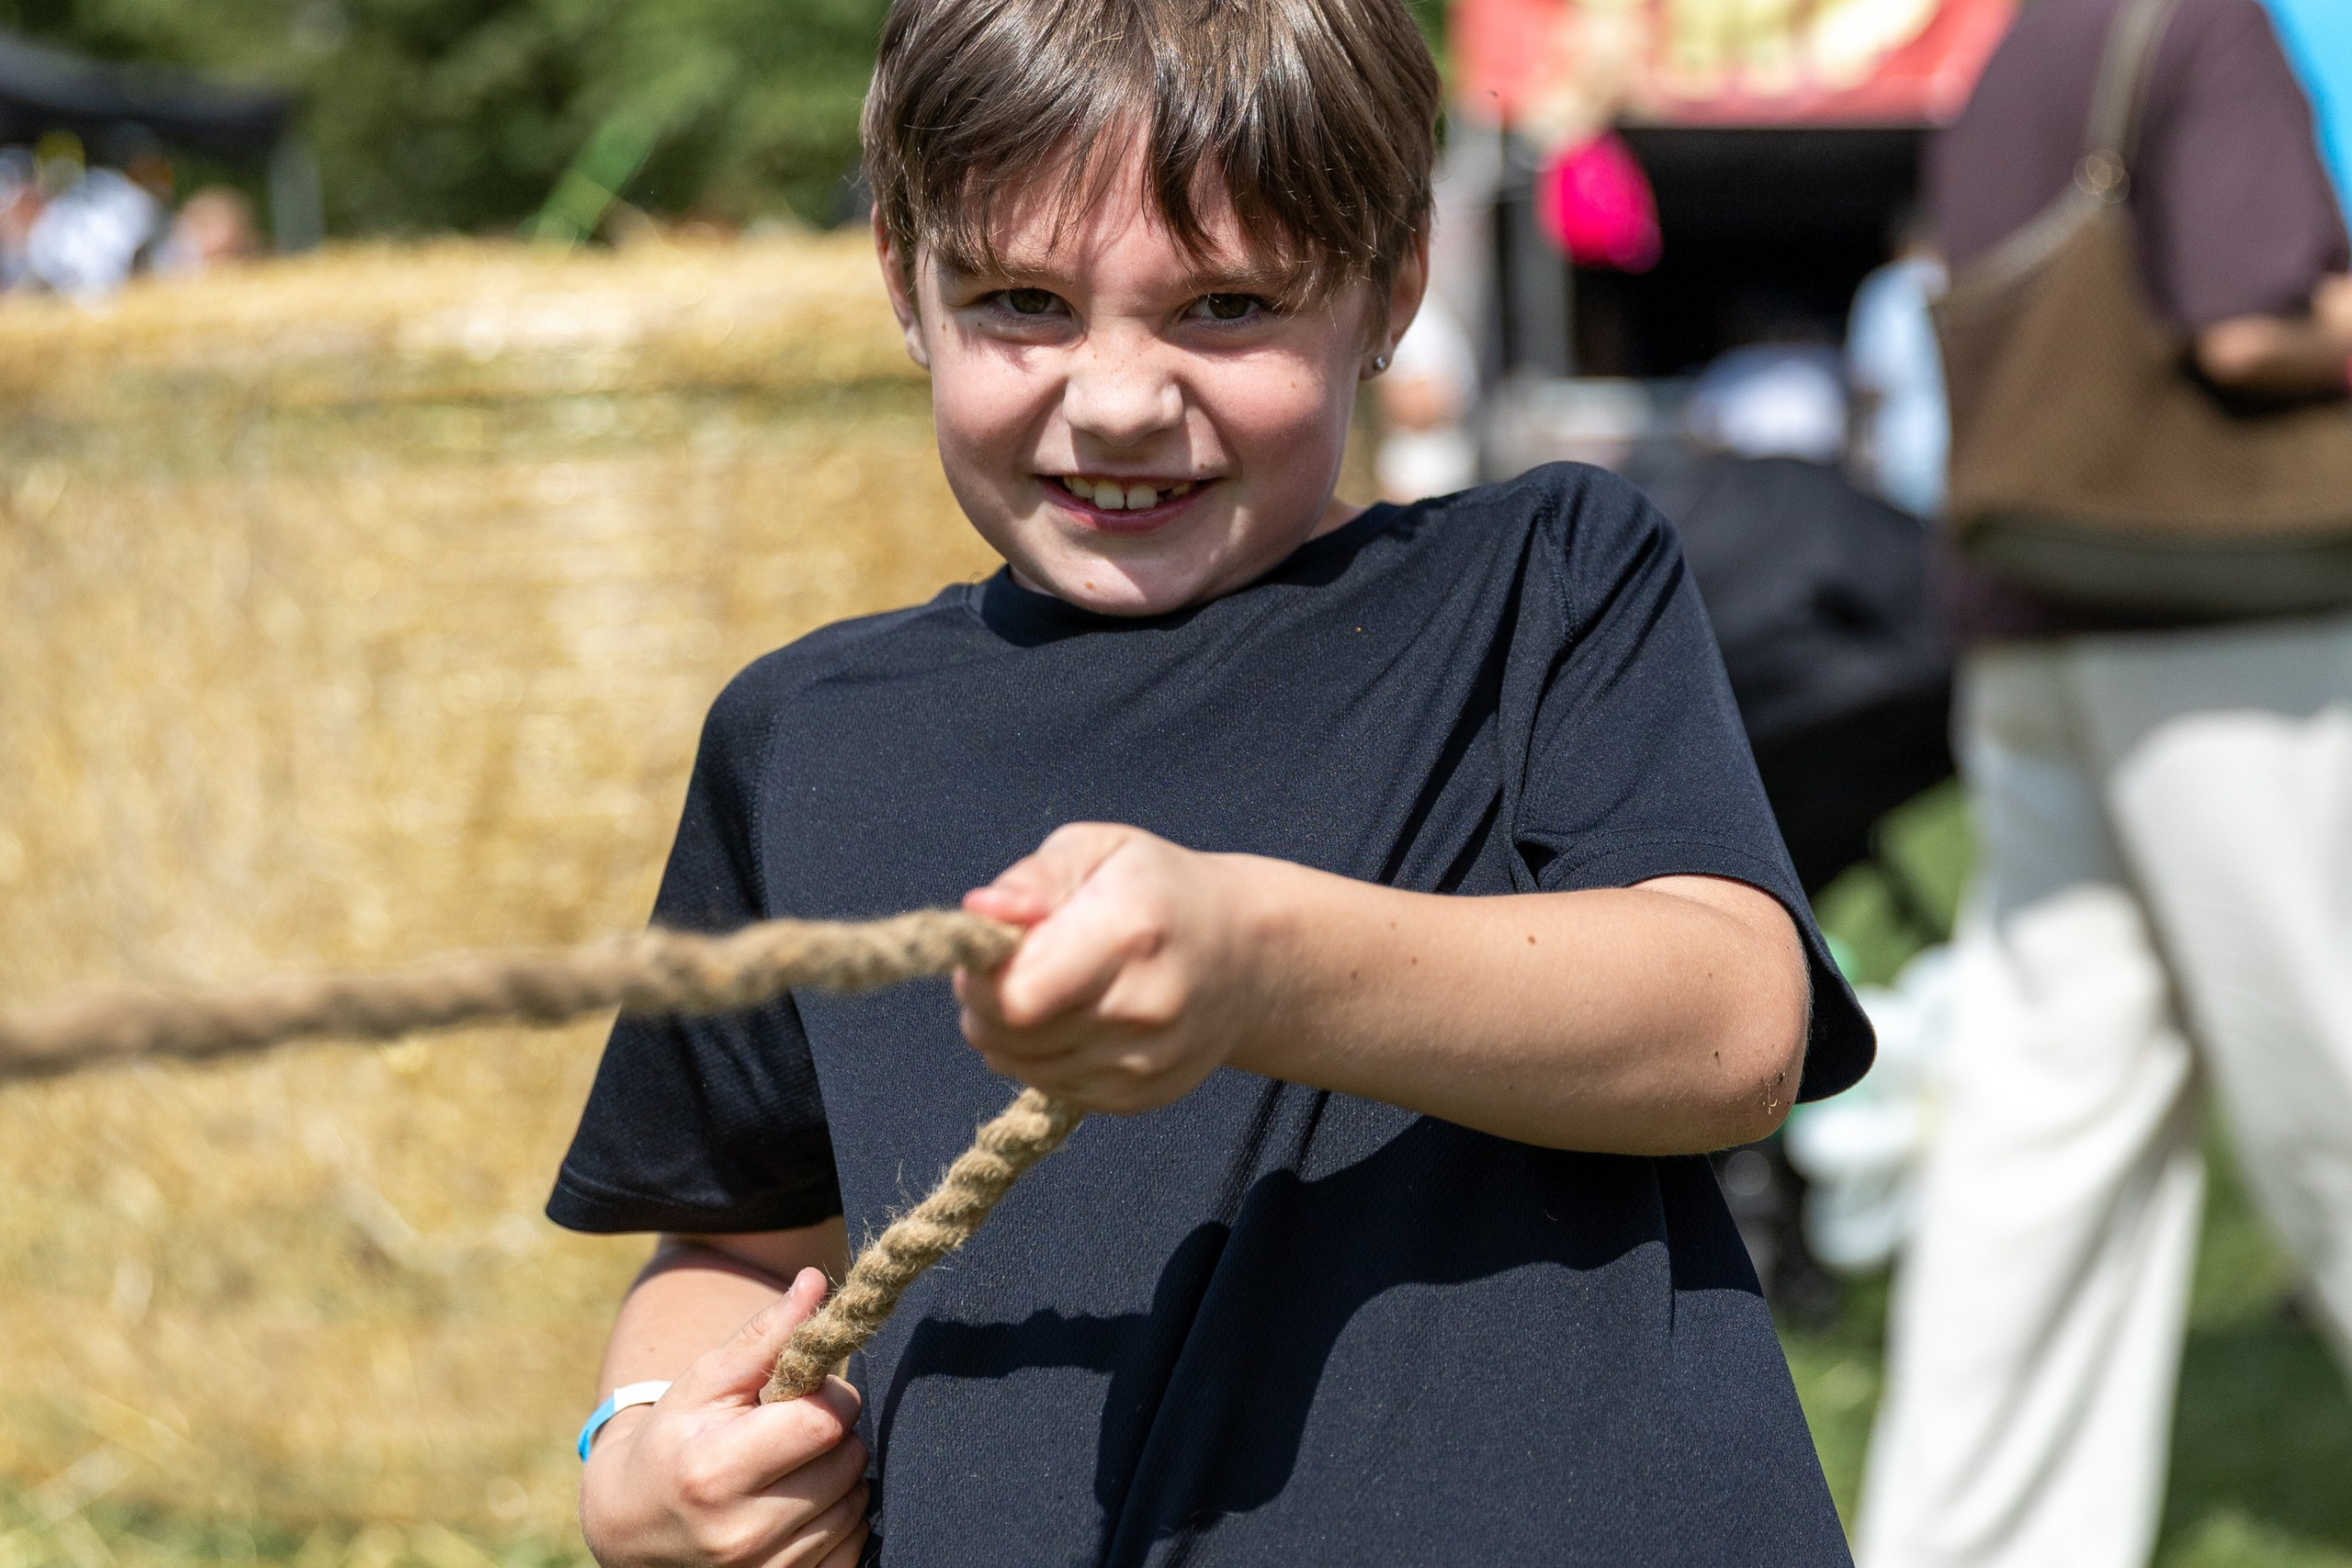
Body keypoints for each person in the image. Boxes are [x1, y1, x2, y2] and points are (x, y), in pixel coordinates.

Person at [547, 2, 1872, 1563]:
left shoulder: (1539, 584)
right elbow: (730, 1235)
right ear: (905, 283)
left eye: (1228, 306)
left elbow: (1731, 1024)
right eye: (1022, 302)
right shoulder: (805, 736)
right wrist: (638, 1454)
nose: (1116, 399)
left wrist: (1259, 964)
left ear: (1392, 286)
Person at [1857, 0, 2352, 1564]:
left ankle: (1972, 1542)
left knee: (2042, 1125)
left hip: (2037, 616)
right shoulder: (2211, 25)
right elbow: (2250, 316)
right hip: (2228, 631)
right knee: (2336, 1069)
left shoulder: (2022, 43)